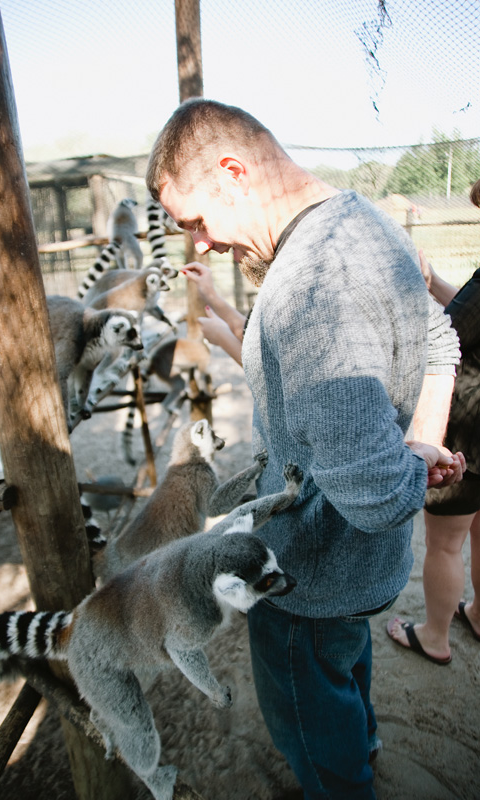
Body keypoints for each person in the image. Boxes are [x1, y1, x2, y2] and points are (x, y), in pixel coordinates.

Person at [145, 98, 464, 800]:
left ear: (232, 172)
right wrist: (424, 442)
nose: (200, 243)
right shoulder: (367, 220)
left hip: (306, 578)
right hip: (361, 575)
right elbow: (443, 339)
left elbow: (379, 497)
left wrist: (413, 458)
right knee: (347, 671)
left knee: (312, 730)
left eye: (196, 221)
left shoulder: (310, 286)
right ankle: (364, 747)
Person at [387, 179, 480, 664]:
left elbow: (448, 332)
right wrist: (433, 279)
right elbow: (467, 308)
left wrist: (415, 287)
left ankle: (435, 636)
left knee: (444, 545)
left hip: (468, 429)